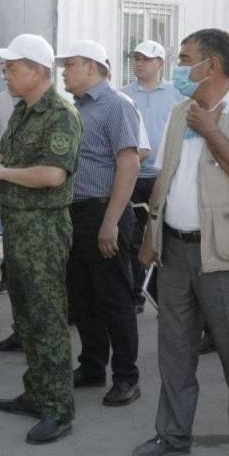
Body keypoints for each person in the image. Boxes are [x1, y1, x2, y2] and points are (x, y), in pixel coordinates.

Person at [134, 28, 229, 456]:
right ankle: (172, 434)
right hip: (175, 251)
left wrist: (212, 130)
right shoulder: (181, 112)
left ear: (211, 66)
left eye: (184, 59)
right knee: (175, 351)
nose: (179, 67)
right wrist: (151, 235)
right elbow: (165, 179)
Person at [0, 33, 82, 444]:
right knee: (27, 317)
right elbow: (5, 153)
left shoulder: (60, 115)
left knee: (47, 318)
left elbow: (52, 175)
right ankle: (37, 392)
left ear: (37, 71)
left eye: (12, 68)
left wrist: (2, 174)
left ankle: (58, 408)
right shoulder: (23, 111)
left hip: (44, 229)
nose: (6, 74)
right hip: (18, 225)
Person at [57, 40, 142, 406]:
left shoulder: (116, 105)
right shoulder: (75, 108)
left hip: (104, 211)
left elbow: (129, 164)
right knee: (83, 296)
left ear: (91, 67)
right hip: (74, 213)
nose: (64, 72)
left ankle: (126, 377)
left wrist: (111, 222)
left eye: (70, 65)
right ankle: (92, 365)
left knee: (115, 298)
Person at [122, 40, 180, 312]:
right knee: (133, 237)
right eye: (136, 58)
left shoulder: (176, 93)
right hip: (132, 177)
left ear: (161, 64)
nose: (139, 63)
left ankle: (168, 294)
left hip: (164, 177)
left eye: (145, 59)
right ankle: (137, 293)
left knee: (165, 236)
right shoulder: (123, 95)